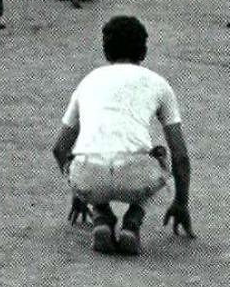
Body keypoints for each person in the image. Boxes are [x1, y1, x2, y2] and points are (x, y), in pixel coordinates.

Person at [52, 16, 195, 256]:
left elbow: (59, 148)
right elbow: (181, 157)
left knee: (86, 159)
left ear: (106, 50)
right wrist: (180, 203)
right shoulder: (159, 84)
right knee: (162, 155)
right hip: (135, 175)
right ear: (144, 50)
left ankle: (102, 214)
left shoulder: (88, 81)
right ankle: (133, 221)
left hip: (89, 175)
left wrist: (79, 191)